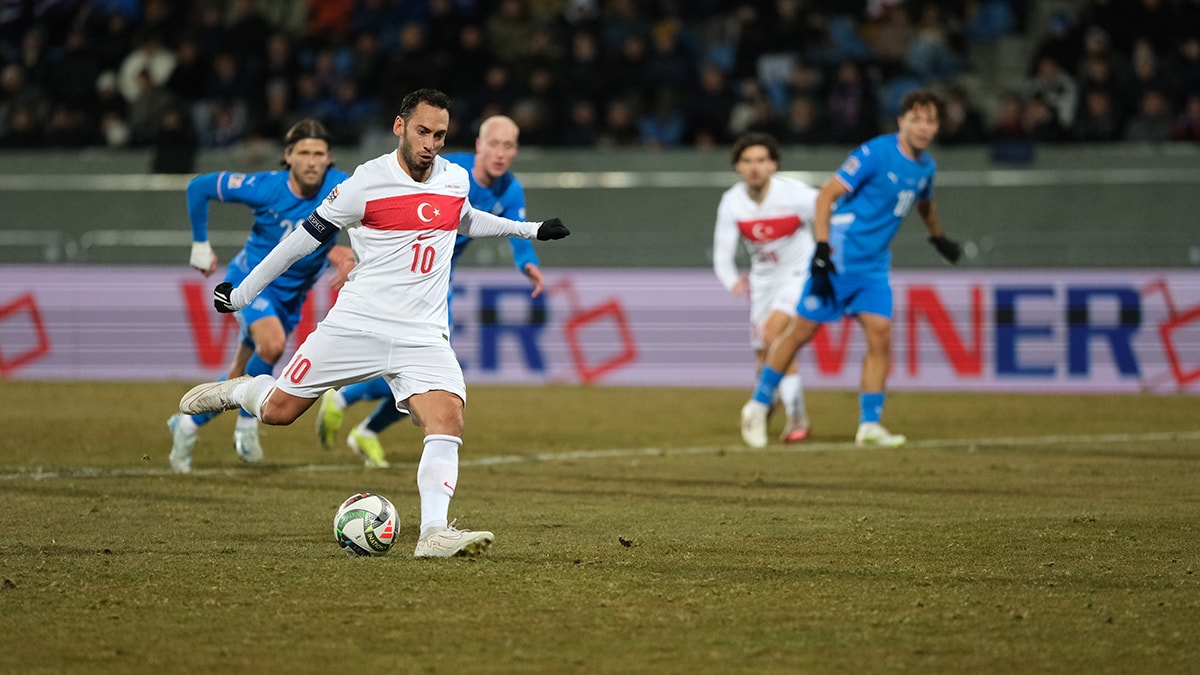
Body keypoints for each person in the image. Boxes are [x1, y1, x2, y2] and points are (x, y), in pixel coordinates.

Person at [178, 89, 570, 558]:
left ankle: (433, 534)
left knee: (448, 419)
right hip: (357, 324)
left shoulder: (455, 179)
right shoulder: (365, 184)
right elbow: (302, 241)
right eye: (422, 131)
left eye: (440, 135)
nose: (430, 143)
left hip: (422, 333)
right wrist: (242, 292)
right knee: (279, 412)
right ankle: (237, 390)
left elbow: (466, 220)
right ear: (399, 127)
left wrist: (531, 230)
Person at [312, 114, 543, 468]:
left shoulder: (509, 189)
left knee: (426, 373)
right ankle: (344, 402)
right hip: (398, 279)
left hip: (436, 285)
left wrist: (527, 264)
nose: (500, 153)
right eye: (493, 144)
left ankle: (364, 427)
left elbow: (513, 230)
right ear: (479, 145)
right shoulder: (449, 170)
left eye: (508, 146)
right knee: (417, 368)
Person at [739, 88, 962, 449]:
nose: (923, 127)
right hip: (840, 258)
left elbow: (924, 202)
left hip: (873, 267)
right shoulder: (876, 152)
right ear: (901, 122)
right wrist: (824, 249)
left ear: (937, 128)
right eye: (916, 119)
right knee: (799, 335)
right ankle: (758, 404)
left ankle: (869, 425)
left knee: (881, 335)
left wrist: (939, 237)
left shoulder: (926, 167)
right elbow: (827, 195)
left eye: (931, 120)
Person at [167, 118, 354, 474]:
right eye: (304, 153)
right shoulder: (265, 187)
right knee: (272, 345)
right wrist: (200, 243)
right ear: (288, 156)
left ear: (329, 159)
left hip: (292, 296)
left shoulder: (342, 185)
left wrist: (349, 255)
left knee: (239, 375)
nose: (312, 161)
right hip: (251, 284)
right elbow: (198, 187)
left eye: (319, 154)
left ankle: (187, 425)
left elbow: (364, 221)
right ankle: (247, 425)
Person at [713, 132, 817, 443]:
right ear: (737, 167)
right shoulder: (732, 202)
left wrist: (829, 252)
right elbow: (722, 254)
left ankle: (797, 414)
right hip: (762, 282)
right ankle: (768, 400)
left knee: (774, 335)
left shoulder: (796, 195)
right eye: (747, 161)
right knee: (764, 356)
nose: (754, 167)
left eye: (761, 160)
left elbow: (829, 209)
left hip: (800, 273)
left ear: (773, 165)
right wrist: (732, 280)